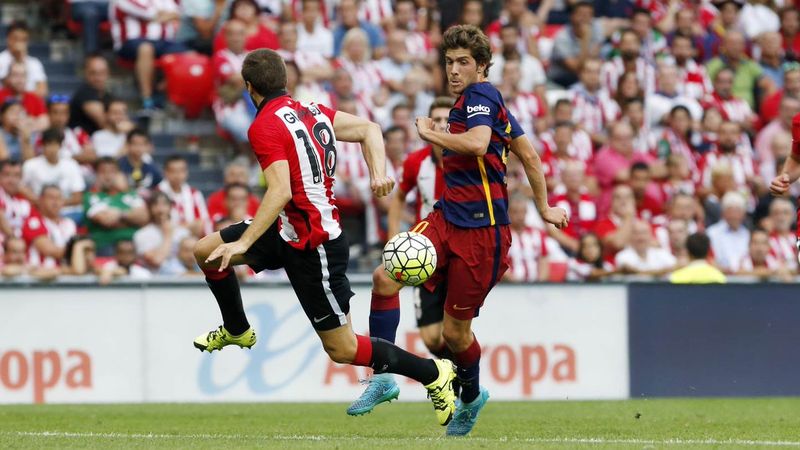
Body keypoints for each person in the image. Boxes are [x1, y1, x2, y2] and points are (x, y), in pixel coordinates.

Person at [190, 48, 459, 427]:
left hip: (314, 242)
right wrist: (378, 172)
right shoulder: (311, 110)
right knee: (206, 251)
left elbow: (280, 190)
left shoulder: (264, 125)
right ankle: (237, 329)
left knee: (342, 348)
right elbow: (370, 129)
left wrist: (244, 242)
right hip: (288, 226)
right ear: (285, 80)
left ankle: (434, 373)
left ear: (249, 87)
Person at [347, 25, 567, 435]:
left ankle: (471, 396)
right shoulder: (478, 101)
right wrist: (545, 206)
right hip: (447, 217)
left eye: (463, 62)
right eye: (449, 62)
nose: (453, 70)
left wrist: (430, 132)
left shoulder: (481, 95)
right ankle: (382, 376)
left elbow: (479, 143)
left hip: (483, 233)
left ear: (481, 66)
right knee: (384, 277)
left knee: (455, 333)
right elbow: (530, 157)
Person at [109, 0, 186, 110]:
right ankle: (147, 98)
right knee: (146, 49)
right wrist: (165, 16)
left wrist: (163, 16)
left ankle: (162, 90)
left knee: (188, 55)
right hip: (131, 41)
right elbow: (149, 12)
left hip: (162, 42)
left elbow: (179, 12)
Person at [83, 157, 149, 256]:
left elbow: (144, 218)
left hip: (134, 243)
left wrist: (120, 214)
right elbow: (106, 221)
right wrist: (132, 220)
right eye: (103, 172)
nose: (107, 176)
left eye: (112, 172)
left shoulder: (130, 194)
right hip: (107, 245)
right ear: (96, 175)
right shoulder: (91, 196)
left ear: (119, 174)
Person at [20, 185, 77, 269]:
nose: (56, 202)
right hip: (39, 273)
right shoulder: (33, 222)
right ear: (41, 200)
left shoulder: (69, 223)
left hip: (64, 271)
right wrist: (79, 251)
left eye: (59, 198)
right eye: (51, 198)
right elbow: (49, 250)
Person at [134, 191, 191, 273]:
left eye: (164, 204)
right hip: (155, 279)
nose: (160, 209)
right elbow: (156, 260)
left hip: (183, 278)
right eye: (156, 205)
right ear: (150, 208)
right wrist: (168, 235)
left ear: (170, 207)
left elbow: (191, 261)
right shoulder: (141, 234)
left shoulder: (183, 233)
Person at [157, 155, 212, 237]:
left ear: (187, 172)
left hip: (191, 236)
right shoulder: (157, 192)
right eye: (173, 171)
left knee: (200, 223)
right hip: (165, 235)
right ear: (165, 172)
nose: (177, 175)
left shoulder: (194, 194)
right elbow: (159, 222)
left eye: (181, 171)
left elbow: (204, 221)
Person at [0, 21, 47, 98]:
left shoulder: (35, 63)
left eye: (23, 39)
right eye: (15, 38)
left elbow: (43, 91)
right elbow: (7, 87)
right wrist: (18, 59)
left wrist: (25, 98)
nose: (19, 42)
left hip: (29, 103)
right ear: (8, 39)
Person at [706, 191, 750, 273]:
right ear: (723, 213)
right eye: (730, 211)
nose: (734, 216)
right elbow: (708, 258)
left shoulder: (747, 234)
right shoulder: (711, 233)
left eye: (737, 212)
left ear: (744, 214)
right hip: (719, 275)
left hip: (744, 276)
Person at [69, 54, 112, 135]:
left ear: (108, 73)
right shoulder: (84, 93)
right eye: (93, 73)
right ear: (85, 73)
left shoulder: (109, 96)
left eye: (102, 73)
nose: (98, 78)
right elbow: (106, 123)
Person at [0, 61, 49, 132]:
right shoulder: (1, 95)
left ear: (27, 78)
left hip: (28, 135)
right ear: (9, 77)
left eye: (22, 75)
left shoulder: (34, 98)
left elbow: (45, 122)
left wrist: (26, 124)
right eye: (15, 75)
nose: (19, 79)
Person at [118, 129, 163, 193]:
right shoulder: (119, 165)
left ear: (148, 146)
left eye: (142, 144)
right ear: (128, 145)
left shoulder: (152, 167)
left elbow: (159, 187)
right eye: (135, 144)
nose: (138, 148)